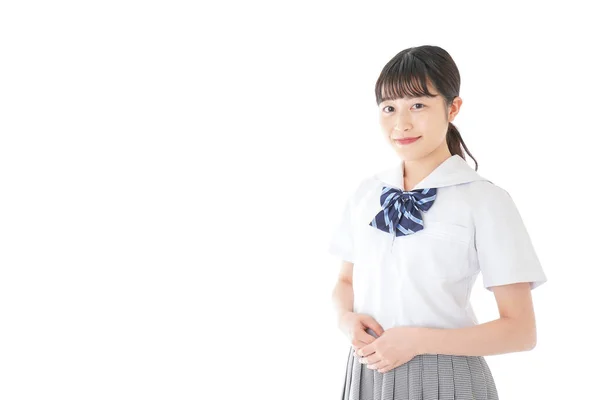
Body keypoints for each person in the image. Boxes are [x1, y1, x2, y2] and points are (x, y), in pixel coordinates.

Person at [328, 45, 547, 400]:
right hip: (367, 373)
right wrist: (345, 320)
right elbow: (344, 280)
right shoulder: (367, 193)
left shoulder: (485, 200)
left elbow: (521, 331)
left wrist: (417, 341)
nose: (401, 124)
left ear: (453, 108)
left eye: (418, 105)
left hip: (447, 377)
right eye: (389, 108)